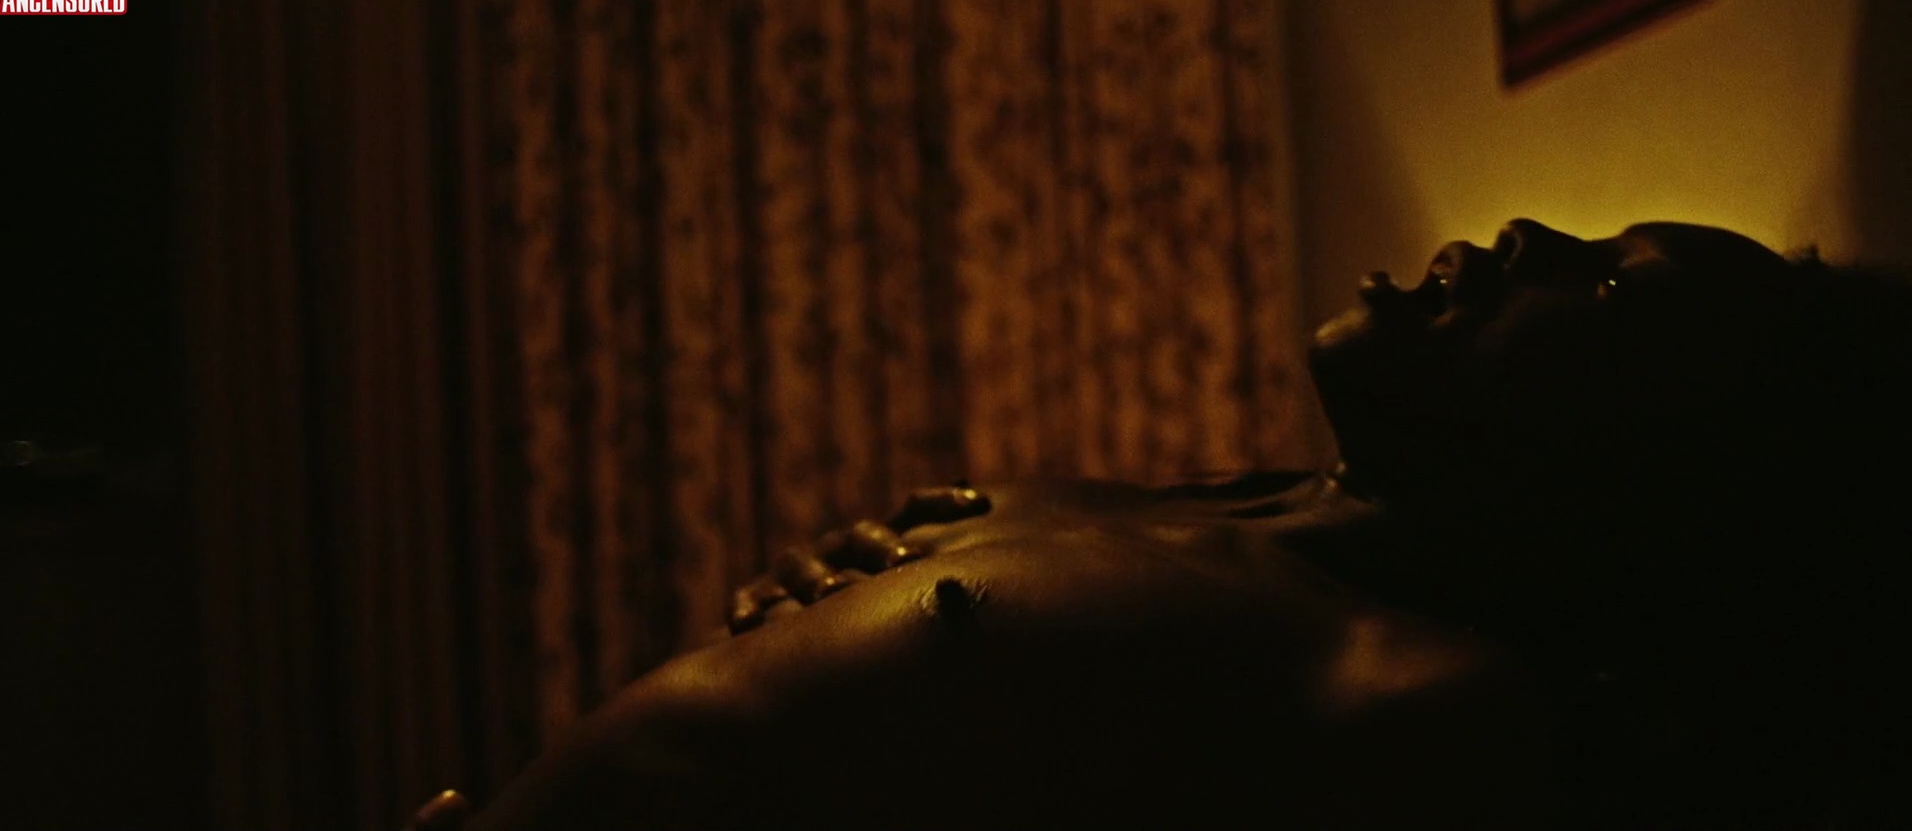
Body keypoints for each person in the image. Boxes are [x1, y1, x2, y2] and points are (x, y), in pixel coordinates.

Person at [444, 220, 1911, 830]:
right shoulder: (1227, 504)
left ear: (1664, 450)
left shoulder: (1421, 698)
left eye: (1608, 287)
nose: (1530, 233)